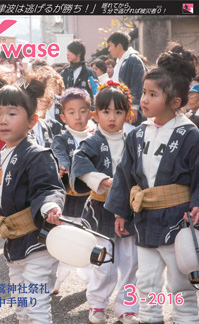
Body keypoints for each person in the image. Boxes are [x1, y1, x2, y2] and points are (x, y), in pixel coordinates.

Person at [104, 49, 199, 324]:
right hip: (145, 221)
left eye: (152, 94)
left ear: (175, 101)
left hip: (178, 221)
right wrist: (121, 211)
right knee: (146, 282)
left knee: (180, 284)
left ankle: (187, 319)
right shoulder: (139, 133)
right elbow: (124, 175)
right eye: (144, 92)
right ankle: (150, 318)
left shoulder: (190, 134)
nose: (143, 99)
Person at [0, 72, 65, 324]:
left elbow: (49, 188)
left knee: (36, 304)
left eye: (12, 114)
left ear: (32, 120)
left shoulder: (37, 154)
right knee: (21, 306)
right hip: (14, 245)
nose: (3, 120)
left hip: (38, 243)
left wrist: (50, 206)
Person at [71, 80, 138, 324]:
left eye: (118, 111)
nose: (112, 117)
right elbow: (80, 165)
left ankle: (127, 307)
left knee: (131, 262)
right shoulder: (91, 142)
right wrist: (101, 180)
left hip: (131, 210)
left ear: (127, 114)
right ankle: (98, 305)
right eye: (106, 111)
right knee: (103, 262)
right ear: (95, 114)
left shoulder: (134, 138)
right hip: (101, 209)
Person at [51, 87, 93, 294]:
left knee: (90, 239)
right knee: (66, 240)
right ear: (63, 116)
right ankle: (56, 281)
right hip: (69, 197)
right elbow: (60, 155)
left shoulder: (97, 135)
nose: (78, 116)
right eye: (71, 112)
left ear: (91, 112)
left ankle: (92, 283)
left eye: (83, 110)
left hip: (94, 198)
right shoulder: (61, 139)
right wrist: (63, 166)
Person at [107, 31, 147, 126]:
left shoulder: (133, 60)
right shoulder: (119, 62)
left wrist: (134, 107)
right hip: (120, 108)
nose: (109, 49)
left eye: (110, 46)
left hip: (131, 110)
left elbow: (138, 84)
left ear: (119, 46)